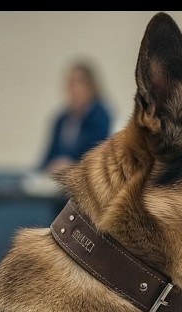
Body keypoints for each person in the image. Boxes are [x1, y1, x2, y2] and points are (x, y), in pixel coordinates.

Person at [34, 58, 113, 219]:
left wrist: (70, 166)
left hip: (90, 197)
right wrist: (49, 167)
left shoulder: (100, 116)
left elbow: (97, 155)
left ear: (90, 86)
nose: (72, 90)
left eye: (77, 83)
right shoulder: (61, 119)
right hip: (60, 195)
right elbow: (47, 157)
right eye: (69, 84)